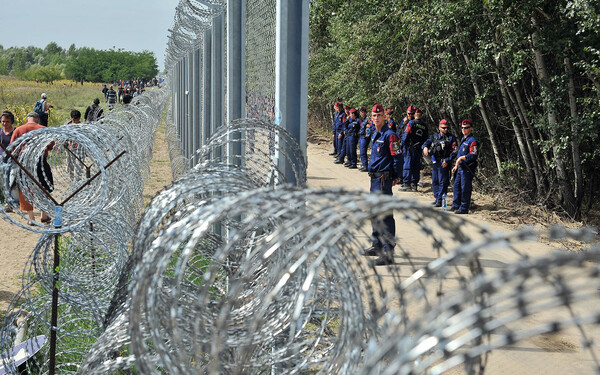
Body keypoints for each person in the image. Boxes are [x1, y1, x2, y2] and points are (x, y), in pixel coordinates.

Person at [364, 103, 403, 266]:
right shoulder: (375, 133)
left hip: (383, 180)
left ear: (384, 117)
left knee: (385, 215)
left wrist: (396, 176)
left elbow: (398, 157)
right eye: (373, 116)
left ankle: (388, 251)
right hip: (374, 179)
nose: (376, 118)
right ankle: (377, 244)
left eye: (379, 115)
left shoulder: (390, 135)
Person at [10, 112, 52, 225]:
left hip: (24, 162)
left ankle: (31, 218)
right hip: (40, 161)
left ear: (27, 119)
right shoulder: (43, 129)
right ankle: (44, 215)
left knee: (25, 189)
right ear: (37, 120)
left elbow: (12, 147)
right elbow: (51, 145)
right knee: (45, 187)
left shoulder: (18, 130)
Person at [422, 119, 457, 207]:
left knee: (443, 182)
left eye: (446, 128)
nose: (445, 129)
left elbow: (454, 151)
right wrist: (425, 147)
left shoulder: (451, 138)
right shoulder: (434, 136)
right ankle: (437, 198)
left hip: (444, 162)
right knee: (435, 181)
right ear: (439, 127)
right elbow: (426, 143)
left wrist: (448, 160)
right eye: (443, 128)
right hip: (435, 162)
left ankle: (441, 200)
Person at [450, 119, 479, 214]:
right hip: (460, 168)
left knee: (465, 188)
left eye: (466, 128)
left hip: (467, 168)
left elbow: (473, 155)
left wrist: (463, 157)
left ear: (470, 128)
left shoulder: (472, 141)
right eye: (463, 128)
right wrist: (456, 165)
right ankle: (456, 205)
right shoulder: (464, 139)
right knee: (456, 187)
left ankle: (464, 208)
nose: (464, 130)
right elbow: (459, 154)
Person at [400, 108, 428, 191]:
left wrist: (401, 145)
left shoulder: (411, 123)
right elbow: (425, 138)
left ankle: (406, 184)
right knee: (416, 166)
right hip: (419, 148)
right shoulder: (424, 125)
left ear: (415, 115)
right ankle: (414, 184)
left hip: (410, 147)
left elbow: (406, 135)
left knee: (407, 165)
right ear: (421, 116)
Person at [358, 107, 370, 172]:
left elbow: (369, 128)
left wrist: (367, 136)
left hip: (365, 137)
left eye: (362, 112)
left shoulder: (367, 120)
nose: (361, 113)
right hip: (361, 136)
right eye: (360, 112)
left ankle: (365, 165)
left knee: (363, 151)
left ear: (365, 112)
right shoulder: (362, 120)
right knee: (361, 151)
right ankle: (363, 164)